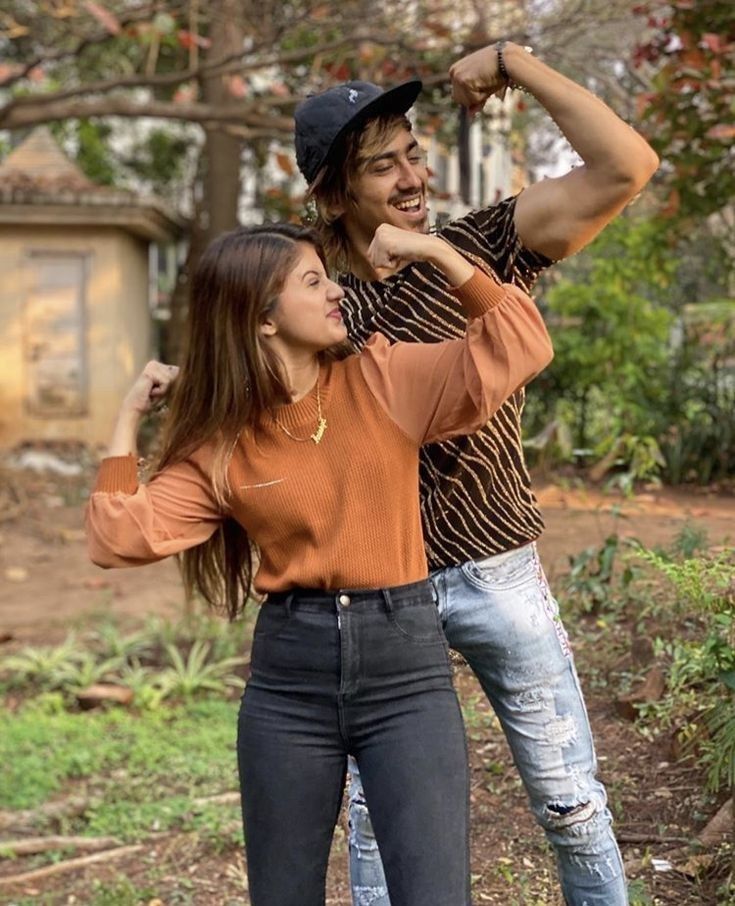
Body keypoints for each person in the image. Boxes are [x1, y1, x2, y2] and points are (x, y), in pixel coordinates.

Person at [85, 222, 553, 905]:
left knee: (434, 893)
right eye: (312, 282)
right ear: (263, 319)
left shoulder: (383, 380)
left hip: (406, 674)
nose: (336, 291)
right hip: (288, 686)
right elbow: (115, 537)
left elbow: (520, 345)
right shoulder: (224, 443)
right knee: (281, 894)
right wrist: (128, 417)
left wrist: (438, 252)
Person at [294, 40, 659, 906]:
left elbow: (625, 166)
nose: (410, 175)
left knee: (571, 803)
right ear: (335, 192)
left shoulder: (481, 242)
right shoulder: (302, 289)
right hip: (378, 588)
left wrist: (514, 62)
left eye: (412, 151)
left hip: (499, 572)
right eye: (381, 166)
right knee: (379, 825)